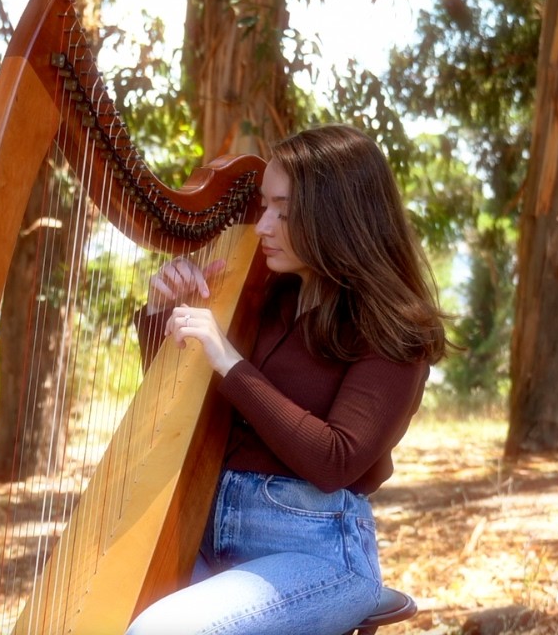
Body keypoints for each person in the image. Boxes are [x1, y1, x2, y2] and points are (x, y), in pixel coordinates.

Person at [126, 124, 450, 635]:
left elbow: (334, 460)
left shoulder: (394, 330)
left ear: (336, 217)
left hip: (319, 555)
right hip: (210, 539)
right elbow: (187, 408)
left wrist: (230, 360)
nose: (262, 226)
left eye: (285, 211)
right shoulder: (267, 299)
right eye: (263, 206)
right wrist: (161, 313)